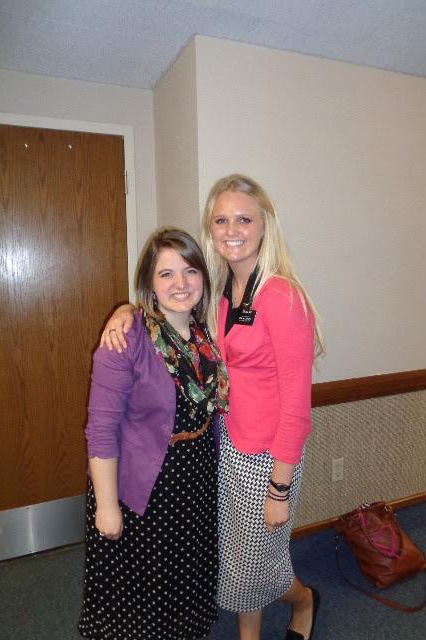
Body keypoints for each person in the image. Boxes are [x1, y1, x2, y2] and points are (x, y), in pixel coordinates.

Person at [101, 175, 324, 640]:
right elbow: (171, 312)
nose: (232, 230)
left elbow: (297, 409)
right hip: (224, 448)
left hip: (266, 457)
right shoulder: (221, 293)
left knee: (252, 565)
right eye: (221, 220)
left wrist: (279, 489)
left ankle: (303, 602)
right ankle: (264, 624)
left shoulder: (282, 297)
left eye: (244, 219)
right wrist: (127, 310)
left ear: (265, 226)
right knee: (242, 559)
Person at [78, 227, 229, 640]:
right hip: (145, 491)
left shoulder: (205, 334)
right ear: (150, 282)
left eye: (190, 270)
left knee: (185, 581)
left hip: (196, 480)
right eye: (166, 274)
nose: (181, 283)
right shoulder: (126, 337)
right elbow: (101, 430)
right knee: (143, 592)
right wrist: (106, 507)